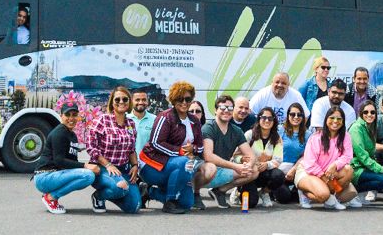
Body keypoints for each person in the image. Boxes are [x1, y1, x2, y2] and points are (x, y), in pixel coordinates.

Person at [138, 81, 204, 214]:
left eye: (188, 99)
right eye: (180, 99)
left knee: (186, 203)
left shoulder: (194, 120)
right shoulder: (165, 117)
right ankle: (170, 201)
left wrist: (193, 149)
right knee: (186, 162)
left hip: (178, 166)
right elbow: (156, 143)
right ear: (174, 100)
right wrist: (180, 151)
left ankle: (149, 191)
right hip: (152, 165)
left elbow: (200, 147)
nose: (184, 102)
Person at [34, 101, 99, 214]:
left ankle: (51, 197)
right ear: (61, 116)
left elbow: (72, 163)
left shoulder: (72, 135)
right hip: (44, 177)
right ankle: (51, 198)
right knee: (87, 175)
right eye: (67, 115)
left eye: (74, 115)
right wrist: (86, 166)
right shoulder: (59, 133)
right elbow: (59, 161)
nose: (71, 118)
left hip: (55, 175)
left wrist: (92, 164)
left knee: (88, 174)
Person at [85, 86, 141, 214]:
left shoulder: (131, 124)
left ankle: (117, 191)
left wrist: (135, 165)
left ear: (129, 102)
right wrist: (108, 164)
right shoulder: (102, 120)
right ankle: (99, 196)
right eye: (117, 99)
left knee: (135, 207)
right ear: (112, 102)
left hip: (122, 170)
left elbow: (131, 149)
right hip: (102, 168)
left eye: (125, 99)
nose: (121, 102)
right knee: (120, 188)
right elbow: (90, 147)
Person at [199, 94, 258, 208]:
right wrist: (236, 167)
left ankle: (220, 190)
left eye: (230, 108)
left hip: (222, 171)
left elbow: (250, 155)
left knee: (254, 170)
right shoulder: (208, 128)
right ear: (215, 110)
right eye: (223, 108)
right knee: (210, 167)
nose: (226, 111)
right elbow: (208, 156)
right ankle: (194, 193)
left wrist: (247, 166)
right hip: (204, 172)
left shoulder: (236, 131)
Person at [296, 106, 357, 210]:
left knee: (349, 174)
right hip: (308, 172)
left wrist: (335, 165)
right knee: (323, 195)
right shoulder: (316, 137)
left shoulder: (345, 136)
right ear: (326, 119)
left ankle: (331, 197)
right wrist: (325, 179)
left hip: (329, 171)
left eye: (339, 119)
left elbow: (347, 156)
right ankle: (305, 194)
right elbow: (310, 165)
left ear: (343, 121)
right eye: (332, 118)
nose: (335, 121)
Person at [349, 100, 383, 205]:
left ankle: (360, 193)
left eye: (372, 112)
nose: (369, 115)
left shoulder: (370, 127)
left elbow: (371, 152)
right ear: (361, 113)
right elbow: (362, 156)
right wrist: (381, 168)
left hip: (364, 166)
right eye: (366, 112)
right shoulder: (356, 128)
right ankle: (352, 192)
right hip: (355, 168)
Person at [244, 107, 289, 206]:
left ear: (274, 121)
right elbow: (236, 155)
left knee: (279, 175)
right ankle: (239, 189)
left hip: (265, 172)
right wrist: (243, 160)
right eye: (264, 118)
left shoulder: (277, 138)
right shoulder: (249, 135)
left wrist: (267, 164)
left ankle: (264, 192)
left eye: (270, 118)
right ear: (259, 119)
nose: (267, 121)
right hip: (250, 173)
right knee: (250, 204)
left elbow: (278, 159)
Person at [279, 101, 312, 201]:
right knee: (284, 198)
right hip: (280, 170)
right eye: (292, 114)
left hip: (297, 169)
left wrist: (293, 170)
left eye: (299, 114)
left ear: (303, 117)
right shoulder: (280, 130)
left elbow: (306, 156)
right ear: (288, 116)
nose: (296, 117)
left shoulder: (308, 134)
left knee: (296, 199)